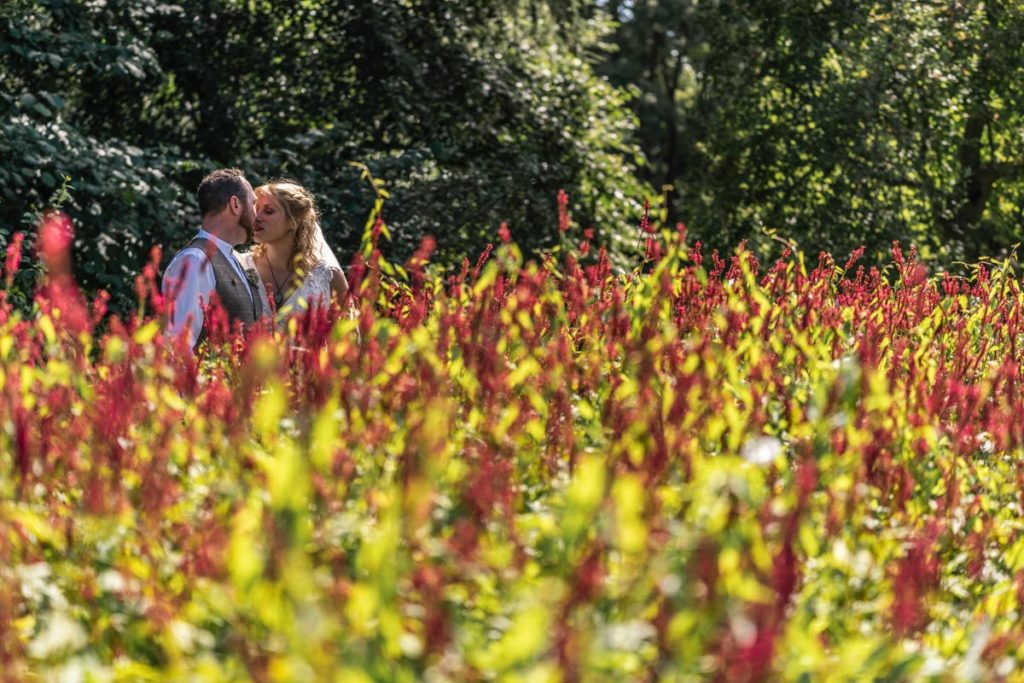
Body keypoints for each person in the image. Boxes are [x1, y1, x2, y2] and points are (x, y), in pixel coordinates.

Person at [161, 168, 265, 350]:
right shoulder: (195, 260)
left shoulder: (235, 259)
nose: (257, 214)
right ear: (235, 204)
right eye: (254, 203)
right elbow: (177, 344)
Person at [237, 179, 349, 324]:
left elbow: (349, 338)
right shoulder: (239, 266)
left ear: (293, 221)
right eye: (255, 209)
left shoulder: (328, 277)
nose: (256, 217)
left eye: (268, 211)